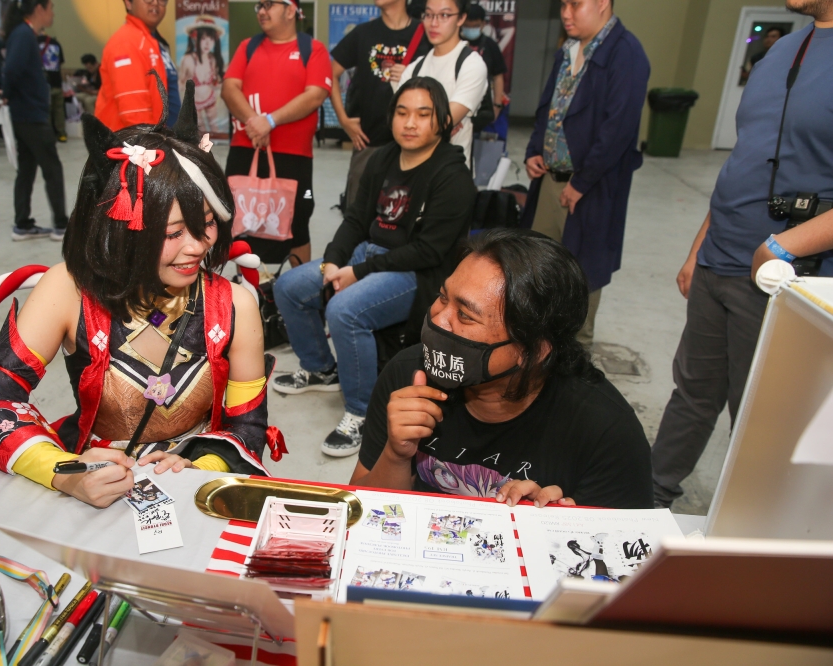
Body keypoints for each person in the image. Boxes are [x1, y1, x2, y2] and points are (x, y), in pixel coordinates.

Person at [0, 88, 280, 507]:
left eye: (207, 225)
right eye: (174, 233)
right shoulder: (68, 290)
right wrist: (65, 473)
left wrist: (200, 469)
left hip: (194, 489)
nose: (197, 247)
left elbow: (247, 425)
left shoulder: (234, 304)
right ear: (122, 225)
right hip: (94, 477)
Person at [652, 1, 833, 509]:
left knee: (761, 419)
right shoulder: (782, 50)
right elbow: (747, 156)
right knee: (692, 393)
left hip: (784, 275)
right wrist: (699, 246)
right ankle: (645, 500)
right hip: (720, 257)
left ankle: (744, 523)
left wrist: (782, 246)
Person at [351, 229, 653, 509]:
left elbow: (626, 562)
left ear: (533, 350)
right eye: (443, 298)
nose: (438, 319)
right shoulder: (407, 375)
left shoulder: (606, 433)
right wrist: (396, 454)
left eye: (465, 315)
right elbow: (359, 514)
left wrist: (556, 527)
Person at [272, 77, 476, 456]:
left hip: (416, 273)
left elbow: (429, 252)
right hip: (366, 255)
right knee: (290, 287)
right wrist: (334, 259)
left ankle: (362, 412)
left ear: (442, 121)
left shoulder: (453, 177)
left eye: (422, 114)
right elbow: (354, 219)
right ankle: (320, 368)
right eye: (402, 113)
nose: (410, 123)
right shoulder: (381, 158)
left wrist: (356, 274)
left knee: (344, 310)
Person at [521, 0, 649, 349]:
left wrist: (581, 182)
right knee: (536, 269)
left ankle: (573, 365)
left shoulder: (626, 54)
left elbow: (617, 130)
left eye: (575, 4)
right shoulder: (567, 50)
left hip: (589, 189)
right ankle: (534, 353)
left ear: (603, 4)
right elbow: (548, 109)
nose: (566, 12)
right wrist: (534, 150)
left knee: (581, 278)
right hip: (550, 179)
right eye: (563, 4)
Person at [221, 0, 332, 266]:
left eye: (269, 4)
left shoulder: (312, 49)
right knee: (239, 221)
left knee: (297, 222)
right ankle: (250, 290)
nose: (261, 10)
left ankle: (297, 290)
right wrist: (254, 122)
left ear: (291, 10)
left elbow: (315, 95)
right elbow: (229, 88)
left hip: (293, 156)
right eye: (259, 5)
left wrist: (270, 121)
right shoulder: (248, 47)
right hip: (245, 151)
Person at [329, 0, 429, 208]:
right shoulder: (363, 33)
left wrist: (413, 74)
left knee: (405, 213)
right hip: (367, 141)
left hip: (413, 143)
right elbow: (330, 74)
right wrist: (343, 119)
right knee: (357, 212)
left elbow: (441, 83)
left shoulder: (424, 34)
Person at [3, 0, 69, 241]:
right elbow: (11, 70)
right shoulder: (23, 35)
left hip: (26, 114)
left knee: (27, 168)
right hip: (31, 115)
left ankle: (23, 223)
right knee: (52, 168)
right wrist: (7, 95)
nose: (52, 13)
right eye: (51, 7)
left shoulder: (23, 34)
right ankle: (61, 224)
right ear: (39, 9)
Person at [394, 0, 487, 169]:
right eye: (428, 15)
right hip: (410, 170)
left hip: (450, 172)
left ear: (461, 18)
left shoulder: (471, 65)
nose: (433, 23)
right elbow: (397, 121)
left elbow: (443, 123)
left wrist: (428, 124)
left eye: (444, 15)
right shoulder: (415, 68)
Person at [96, 0, 181, 132]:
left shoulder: (153, 40)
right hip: (136, 145)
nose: (155, 3)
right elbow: (134, 112)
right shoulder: (126, 42)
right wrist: (153, 145)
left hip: (160, 139)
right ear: (128, 3)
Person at [178, 15, 226, 136]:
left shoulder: (212, 59)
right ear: (194, 38)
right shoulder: (188, 60)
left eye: (211, 39)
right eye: (203, 38)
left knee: (214, 128)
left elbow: (216, 80)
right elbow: (180, 83)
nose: (207, 43)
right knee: (200, 130)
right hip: (195, 102)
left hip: (210, 98)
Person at [461, 4, 507, 124]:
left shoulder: (490, 45)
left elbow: (498, 77)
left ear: (483, 24)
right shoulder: (455, 42)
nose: (470, 29)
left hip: (482, 105)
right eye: (467, 26)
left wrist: (497, 105)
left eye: (475, 26)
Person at [37, 29, 66, 141]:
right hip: (57, 81)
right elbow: (60, 63)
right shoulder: (56, 43)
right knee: (59, 110)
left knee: (46, 111)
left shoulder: (34, 42)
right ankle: (62, 133)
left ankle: (49, 135)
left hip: (43, 84)